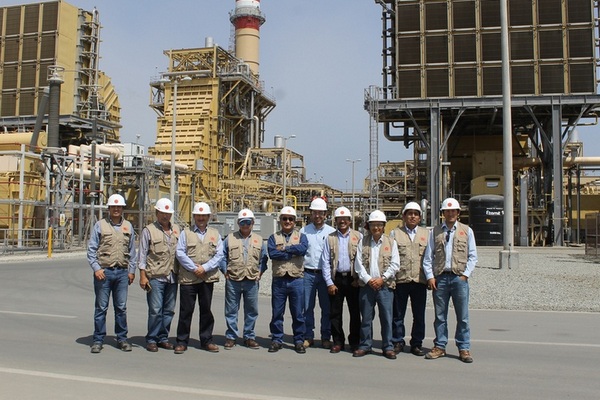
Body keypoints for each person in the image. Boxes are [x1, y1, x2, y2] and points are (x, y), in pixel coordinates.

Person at [422, 197, 477, 363]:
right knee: (440, 316)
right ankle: (440, 346)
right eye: (447, 211)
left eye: (454, 211)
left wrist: (465, 275)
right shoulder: (435, 231)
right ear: (443, 213)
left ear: (458, 213)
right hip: (441, 279)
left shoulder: (467, 231)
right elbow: (428, 257)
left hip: (458, 278)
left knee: (463, 316)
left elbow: (473, 256)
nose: (451, 214)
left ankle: (464, 348)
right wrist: (430, 276)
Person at [87, 193, 137, 354]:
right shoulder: (100, 225)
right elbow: (91, 250)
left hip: (122, 272)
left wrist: (131, 271)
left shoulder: (128, 226)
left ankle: (122, 338)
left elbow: (132, 251)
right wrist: (97, 268)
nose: (116, 209)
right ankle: (98, 339)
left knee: (121, 307)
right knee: (101, 307)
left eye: (119, 207)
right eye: (113, 207)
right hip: (104, 272)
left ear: (122, 209)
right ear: (109, 208)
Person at [174, 201, 224, 354]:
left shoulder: (215, 234)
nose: (201, 218)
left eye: (204, 215)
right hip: (189, 278)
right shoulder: (186, 233)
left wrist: (205, 268)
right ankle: (182, 341)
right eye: (198, 215)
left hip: (206, 278)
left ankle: (206, 340)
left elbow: (219, 254)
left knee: (206, 310)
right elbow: (180, 252)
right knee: (186, 311)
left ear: (208, 217)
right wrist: (194, 268)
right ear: (194, 216)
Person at [353, 210, 400, 360]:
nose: (376, 228)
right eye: (373, 225)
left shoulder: (391, 242)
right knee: (366, 318)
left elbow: (395, 264)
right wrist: (368, 280)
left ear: (384, 226)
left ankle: (388, 347)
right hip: (367, 286)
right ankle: (365, 345)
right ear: (369, 226)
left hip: (385, 286)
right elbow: (358, 264)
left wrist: (382, 278)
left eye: (379, 225)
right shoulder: (363, 241)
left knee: (386, 318)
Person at [222, 208, 268, 350]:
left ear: (253, 223)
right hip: (233, 279)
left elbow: (264, 259)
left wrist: (260, 272)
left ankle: (249, 336)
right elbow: (222, 256)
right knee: (231, 310)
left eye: (248, 222)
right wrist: (225, 271)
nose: (245, 225)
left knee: (251, 310)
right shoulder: (229, 238)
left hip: (251, 280)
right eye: (243, 223)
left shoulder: (259, 240)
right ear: (238, 223)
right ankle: (231, 336)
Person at [138, 198, 180, 352]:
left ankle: (163, 338)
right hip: (155, 276)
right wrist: (142, 276)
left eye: (168, 213)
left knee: (169, 310)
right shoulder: (148, 230)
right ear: (157, 213)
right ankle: (152, 339)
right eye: (162, 213)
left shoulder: (177, 229)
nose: (165, 216)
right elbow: (142, 255)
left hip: (172, 276)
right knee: (155, 310)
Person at [267, 206, 308, 354]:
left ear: (295, 221)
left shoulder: (301, 236)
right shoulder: (273, 237)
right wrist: (292, 251)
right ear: (280, 221)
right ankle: (277, 339)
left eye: (290, 219)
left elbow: (303, 249)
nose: (287, 221)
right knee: (277, 312)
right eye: (284, 219)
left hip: (296, 279)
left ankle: (298, 340)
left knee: (298, 313)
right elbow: (272, 253)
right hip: (279, 280)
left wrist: (284, 250)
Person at [321, 206, 362, 354]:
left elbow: (363, 260)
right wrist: (329, 283)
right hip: (336, 279)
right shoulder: (330, 238)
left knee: (355, 312)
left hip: (353, 280)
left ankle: (355, 342)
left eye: (345, 219)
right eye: (339, 219)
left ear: (350, 221)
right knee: (335, 313)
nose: (342, 221)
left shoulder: (358, 236)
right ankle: (338, 341)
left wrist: (359, 279)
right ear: (336, 221)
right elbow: (325, 262)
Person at [390, 202, 429, 356]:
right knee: (398, 314)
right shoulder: (395, 233)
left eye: (416, 213)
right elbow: (391, 257)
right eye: (409, 213)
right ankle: (397, 341)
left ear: (420, 217)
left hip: (419, 280)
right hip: (401, 280)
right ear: (404, 216)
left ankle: (416, 343)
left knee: (419, 314)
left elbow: (430, 258)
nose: (412, 216)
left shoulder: (427, 234)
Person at [300, 197, 336, 349]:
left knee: (326, 307)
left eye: (321, 213)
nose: (318, 216)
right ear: (311, 213)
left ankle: (325, 336)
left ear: (326, 214)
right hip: (308, 273)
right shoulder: (304, 231)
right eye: (315, 213)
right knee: (307, 306)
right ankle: (308, 336)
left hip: (325, 275)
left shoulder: (331, 232)